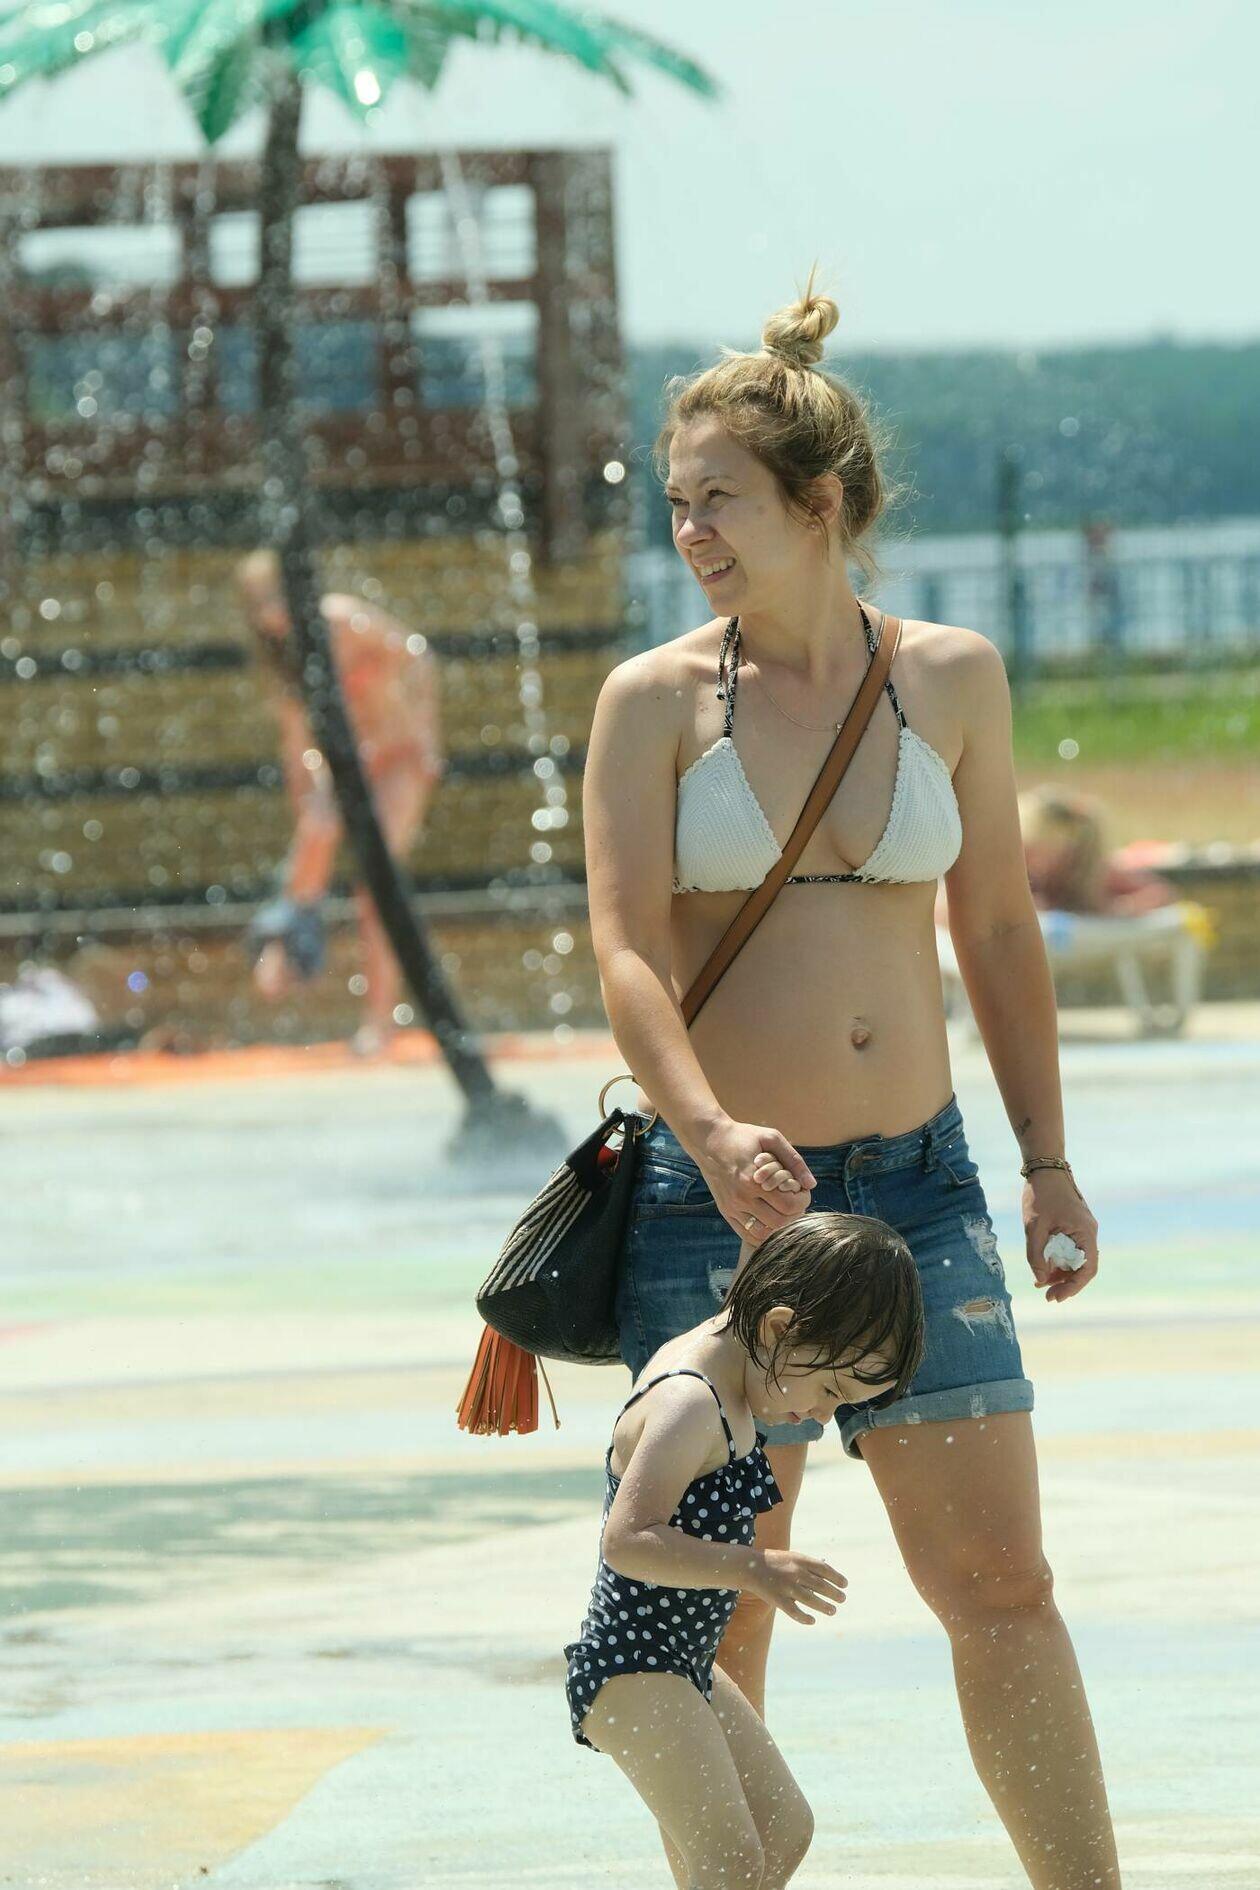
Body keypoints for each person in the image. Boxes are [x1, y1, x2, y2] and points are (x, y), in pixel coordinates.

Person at [582, 279, 1120, 1887]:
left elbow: (998, 925)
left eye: (721, 499)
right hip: (720, 1206)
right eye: (677, 503)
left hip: (919, 1185)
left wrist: (1045, 1158)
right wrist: (706, 1129)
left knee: (1001, 1584)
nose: (692, 532)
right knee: (716, 1613)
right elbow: (626, 953)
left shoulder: (951, 676)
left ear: (820, 502)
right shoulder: (654, 701)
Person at [565, 1204, 924, 1890]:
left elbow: (756, 1278)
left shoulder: (744, 1342)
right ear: (780, 1327)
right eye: (830, 1389)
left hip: (684, 1661)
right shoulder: (690, 1402)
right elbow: (627, 1541)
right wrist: (753, 1567)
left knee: (783, 1829)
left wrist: (765, 1206)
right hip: (632, 1665)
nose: (821, 1414)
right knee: (728, 1861)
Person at [235, 550, 444, 1055]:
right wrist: (310, 810)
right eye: (259, 603)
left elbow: (418, 656)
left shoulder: (343, 619)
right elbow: (295, 747)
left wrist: (425, 730)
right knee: (316, 835)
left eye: (277, 595)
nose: (271, 610)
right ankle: (287, 933)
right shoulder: (283, 655)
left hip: (398, 756)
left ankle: (378, 1023)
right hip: (350, 760)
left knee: (376, 885)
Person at [1018, 786, 1178, 916]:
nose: (1028, 858)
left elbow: (1161, 893)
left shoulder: (1094, 873)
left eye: (1033, 850)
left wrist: (1121, 908)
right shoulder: (1029, 875)